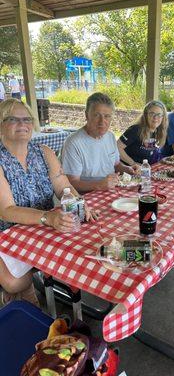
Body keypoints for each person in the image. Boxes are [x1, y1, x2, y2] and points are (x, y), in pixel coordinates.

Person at [0, 98, 99, 306]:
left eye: (27, 119)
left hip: (42, 229)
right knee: (16, 282)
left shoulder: (44, 152)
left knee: (86, 249)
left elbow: (63, 186)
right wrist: (47, 217)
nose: (23, 124)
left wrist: (79, 204)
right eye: (14, 119)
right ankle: (22, 306)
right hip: (7, 234)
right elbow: (7, 211)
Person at [62, 92, 139, 193]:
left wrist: (128, 169)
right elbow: (71, 183)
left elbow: (116, 165)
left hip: (113, 191)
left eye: (107, 116)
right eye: (96, 115)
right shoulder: (73, 143)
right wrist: (98, 185)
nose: (102, 121)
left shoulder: (110, 136)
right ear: (86, 115)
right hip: (89, 197)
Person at [117, 100, 168, 166]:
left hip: (145, 170)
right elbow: (117, 147)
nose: (155, 117)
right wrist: (133, 163)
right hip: (128, 171)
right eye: (152, 113)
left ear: (163, 117)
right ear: (145, 115)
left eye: (159, 114)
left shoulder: (159, 131)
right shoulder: (135, 129)